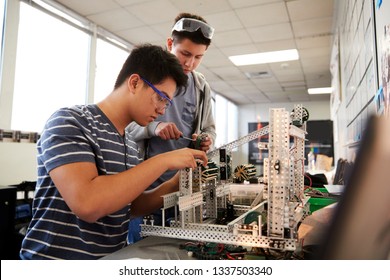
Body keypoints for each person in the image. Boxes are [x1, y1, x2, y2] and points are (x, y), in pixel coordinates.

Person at [19, 44, 208, 260]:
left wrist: (174, 184)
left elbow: (129, 206)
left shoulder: (128, 141)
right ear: (135, 83)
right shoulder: (70, 121)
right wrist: (163, 161)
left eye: (167, 102)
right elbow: (87, 203)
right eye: (161, 98)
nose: (162, 110)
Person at [127, 13, 216, 241]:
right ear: (169, 44)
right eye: (185, 53)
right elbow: (124, 129)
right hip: (145, 191)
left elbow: (210, 129)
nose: (189, 63)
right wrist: (153, 128)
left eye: (198, 57)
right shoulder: (147, 79)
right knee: (139, 255)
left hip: (182, 190)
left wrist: (206, 138)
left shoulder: (201, 87)